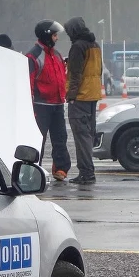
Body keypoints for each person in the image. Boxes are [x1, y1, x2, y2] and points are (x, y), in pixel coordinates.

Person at [26, 20, 70, 182]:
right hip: (41, 106)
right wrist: (30, 106)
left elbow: (61, 77)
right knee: (39, 140)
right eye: (55, 35)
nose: (57, 38)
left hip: (57, 105)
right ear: (46, 36)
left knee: (60, 138)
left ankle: (60, 168)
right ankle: (33, 170)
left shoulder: (56, 55)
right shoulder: (33, 56)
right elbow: (28, 82)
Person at [64, 17, 103, 185]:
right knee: (88, 134)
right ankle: (88, 171)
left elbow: (76, 74)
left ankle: (86, 173)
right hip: (93, 95)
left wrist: (71, 96)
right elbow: (98, 70)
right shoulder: (95, 46)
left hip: (80, 96)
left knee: (81, 137)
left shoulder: (77, 47)